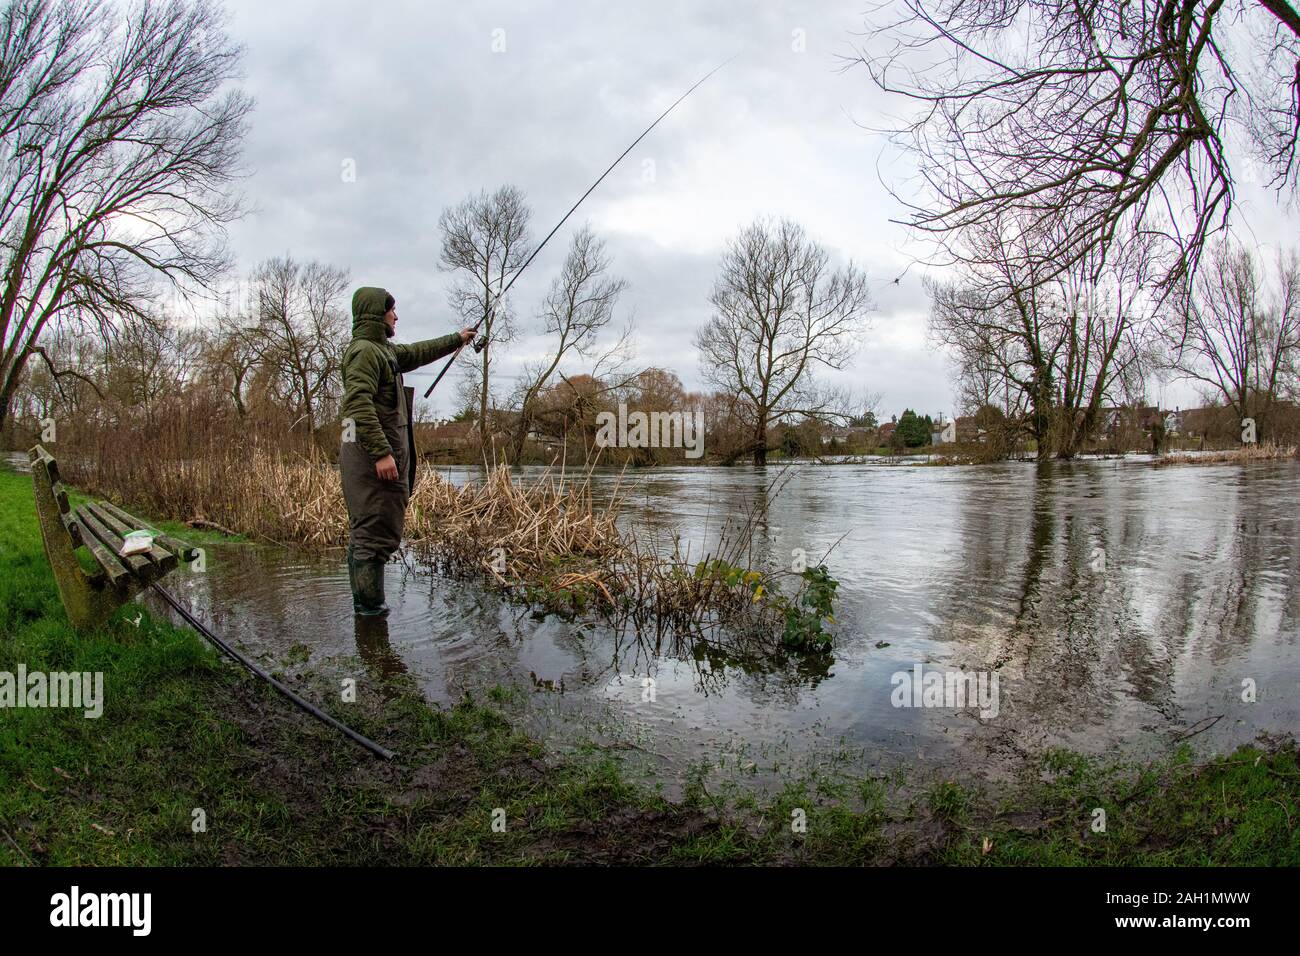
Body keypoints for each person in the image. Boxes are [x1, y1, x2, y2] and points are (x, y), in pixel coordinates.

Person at [339, 286, 472, 615]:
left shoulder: (382, 350)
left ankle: (368, 613)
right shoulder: (365, 352)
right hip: (372, 463)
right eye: (391, 310)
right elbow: (357, 403)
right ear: (376, 314)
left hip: (376, 461)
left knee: (372, 533)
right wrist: (382, 452)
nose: (396, 316)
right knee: (371, 534)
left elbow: (417, 352)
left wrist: (457, 338)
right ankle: (370, 614)